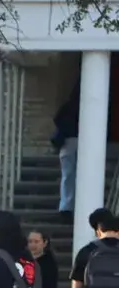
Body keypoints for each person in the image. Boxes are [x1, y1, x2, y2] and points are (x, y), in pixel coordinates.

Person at [52, 84, 81, 219]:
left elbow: (57, 119)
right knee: (72, 174)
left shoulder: (68, 106)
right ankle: (70, 206)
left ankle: (66, 206)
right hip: (77, 140)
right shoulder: (80, 106)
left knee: (68, 175)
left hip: (68, 141)